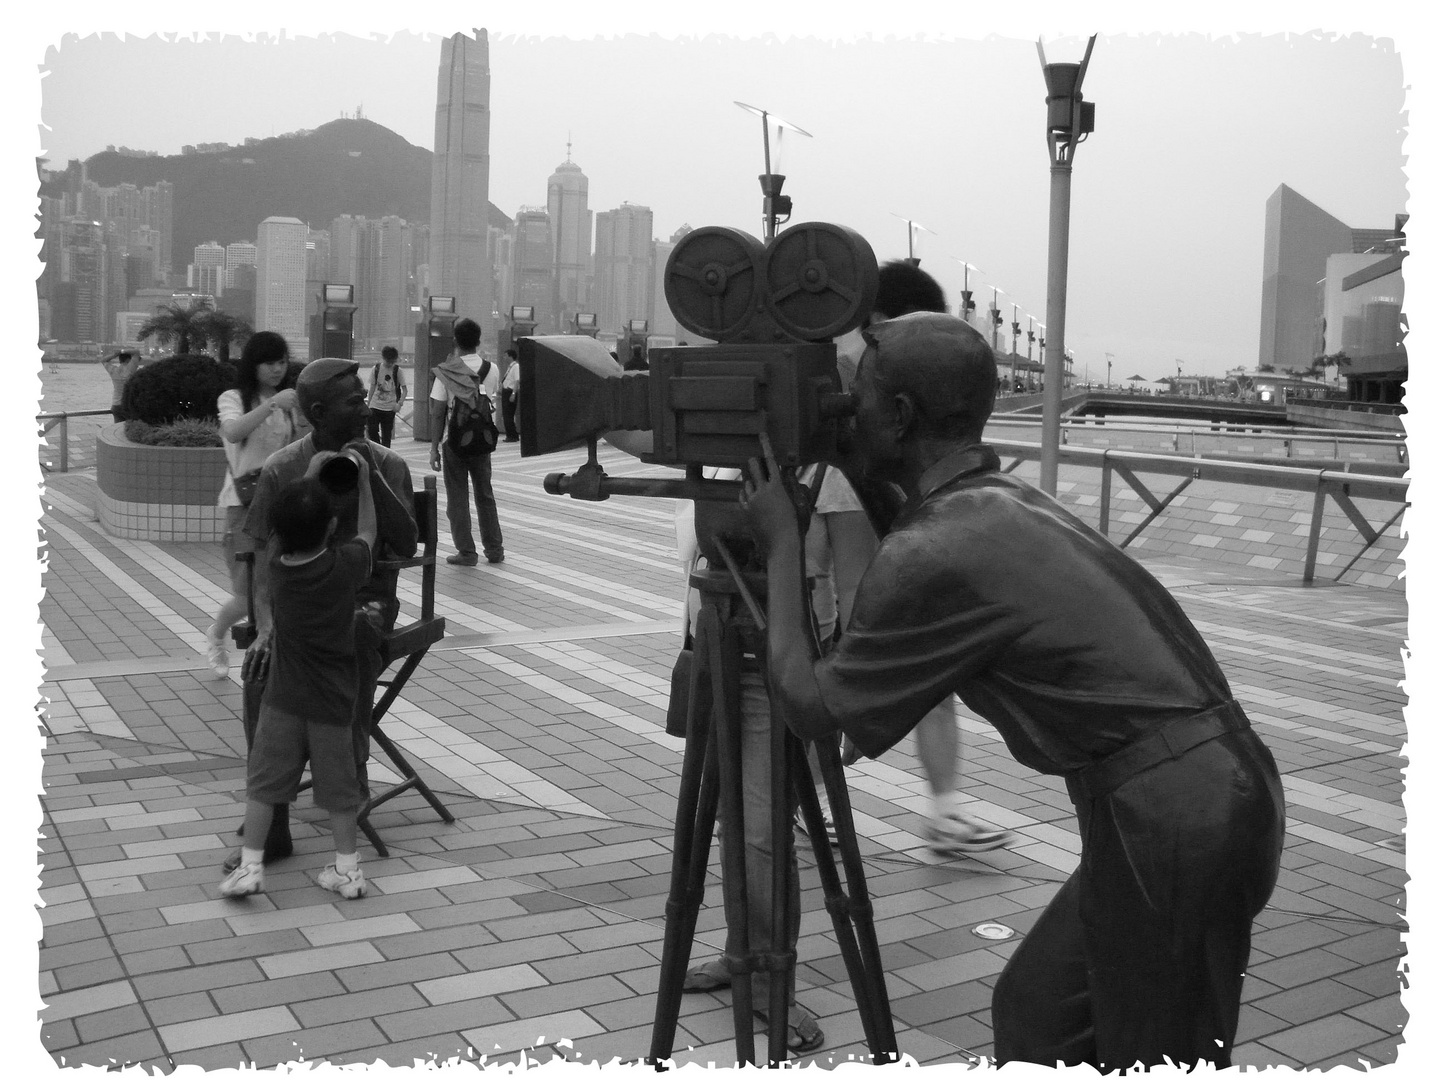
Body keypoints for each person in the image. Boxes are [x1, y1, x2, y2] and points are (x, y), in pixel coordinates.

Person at [741, 312, 1286, 1070]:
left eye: (855, 397)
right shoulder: (990, 502)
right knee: (1040, 1012)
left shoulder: (937, 547)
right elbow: (908, 535)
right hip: (1192, 795)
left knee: (1155, 1054)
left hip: (1176, 813)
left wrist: (776, 543)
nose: (842, 411)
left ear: (898, 416)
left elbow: (811, 708)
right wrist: (854, 463)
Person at [830, 260, 1010, 855]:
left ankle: (944, 811)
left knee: (926, 676)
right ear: (880, 324)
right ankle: (779, 799)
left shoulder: (875, 388)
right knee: (816, 666)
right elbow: (854, 575)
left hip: (876, 555)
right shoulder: (849, 397)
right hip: (832, 567)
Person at [225, 357, 418, 871]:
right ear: (315, 411)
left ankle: (346, 778)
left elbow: (405, 542)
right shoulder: (284, 466)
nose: (364, 407)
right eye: (353, 401)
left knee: (351, 639)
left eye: (362, 398)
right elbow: (262, 557)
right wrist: (265, 625)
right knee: (260, 670)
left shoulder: (387, 461)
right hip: (300, 605)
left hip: (365, 601)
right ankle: (277, 816)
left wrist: (370, 473)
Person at [220, 466, 376, 900]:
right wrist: (361, 484)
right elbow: (367, 531)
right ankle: (348, 871)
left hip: (283, 700)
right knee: (340, 792)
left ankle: (250, 867)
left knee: (265, 784)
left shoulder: (279, 570)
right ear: (330, 527)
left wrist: (308, 473)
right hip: (333, 703)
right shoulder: (345, 565)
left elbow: (276, 537)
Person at [206, 331, 301, 679]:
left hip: (279, 505)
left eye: (282, 362)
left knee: (273, 588)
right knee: (247, 594)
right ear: (253, 365)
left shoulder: (289, 402)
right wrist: (272, 404)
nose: (278, 369)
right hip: (242, 505)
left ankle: (271, 660)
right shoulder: (234, 398)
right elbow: (232, 433)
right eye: (269, 363)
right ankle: (217, 634)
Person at [428, 317, 504, 566]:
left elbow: (438, 412)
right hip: (483, 441)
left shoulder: (446, 372)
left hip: (455, 443)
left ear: (455, 341)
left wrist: (433, 449)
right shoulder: (491, 369)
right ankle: (494, 549)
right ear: (478, 341)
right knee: (485, 494)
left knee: (457, 497)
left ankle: (467, 552)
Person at [366, 346, 406, 447]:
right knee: (372, 430)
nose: (390, 364)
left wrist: (399, 404)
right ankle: (378, 450)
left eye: (393, 361)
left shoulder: (398, 371)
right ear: (383, 358)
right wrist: (368, 405)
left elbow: (405, 390)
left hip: (390, 409)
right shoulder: (376, 369)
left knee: (386, 437)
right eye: (388, 361)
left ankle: (384, 455)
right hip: (375, 406)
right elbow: (372, 388)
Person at [101, 350, 143, 423]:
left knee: (118, 429)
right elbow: (136, 352)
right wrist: (122, 351)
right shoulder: (131, 368)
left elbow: (103, 360)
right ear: (128, 360)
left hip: (116, 405)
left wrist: (116, 354)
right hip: (128, 405)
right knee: (131, 428)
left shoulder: (113, 370)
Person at [500, 348, 520, 442]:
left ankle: (512, 435)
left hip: (510, 392)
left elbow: (517, 380)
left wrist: (513, 393)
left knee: (508, 415)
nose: (504, 357)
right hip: (505, 392)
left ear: (510, 356)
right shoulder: (510, 367)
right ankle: (511, 434)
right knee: (506, 414)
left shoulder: (516, 366)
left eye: (505, 355)